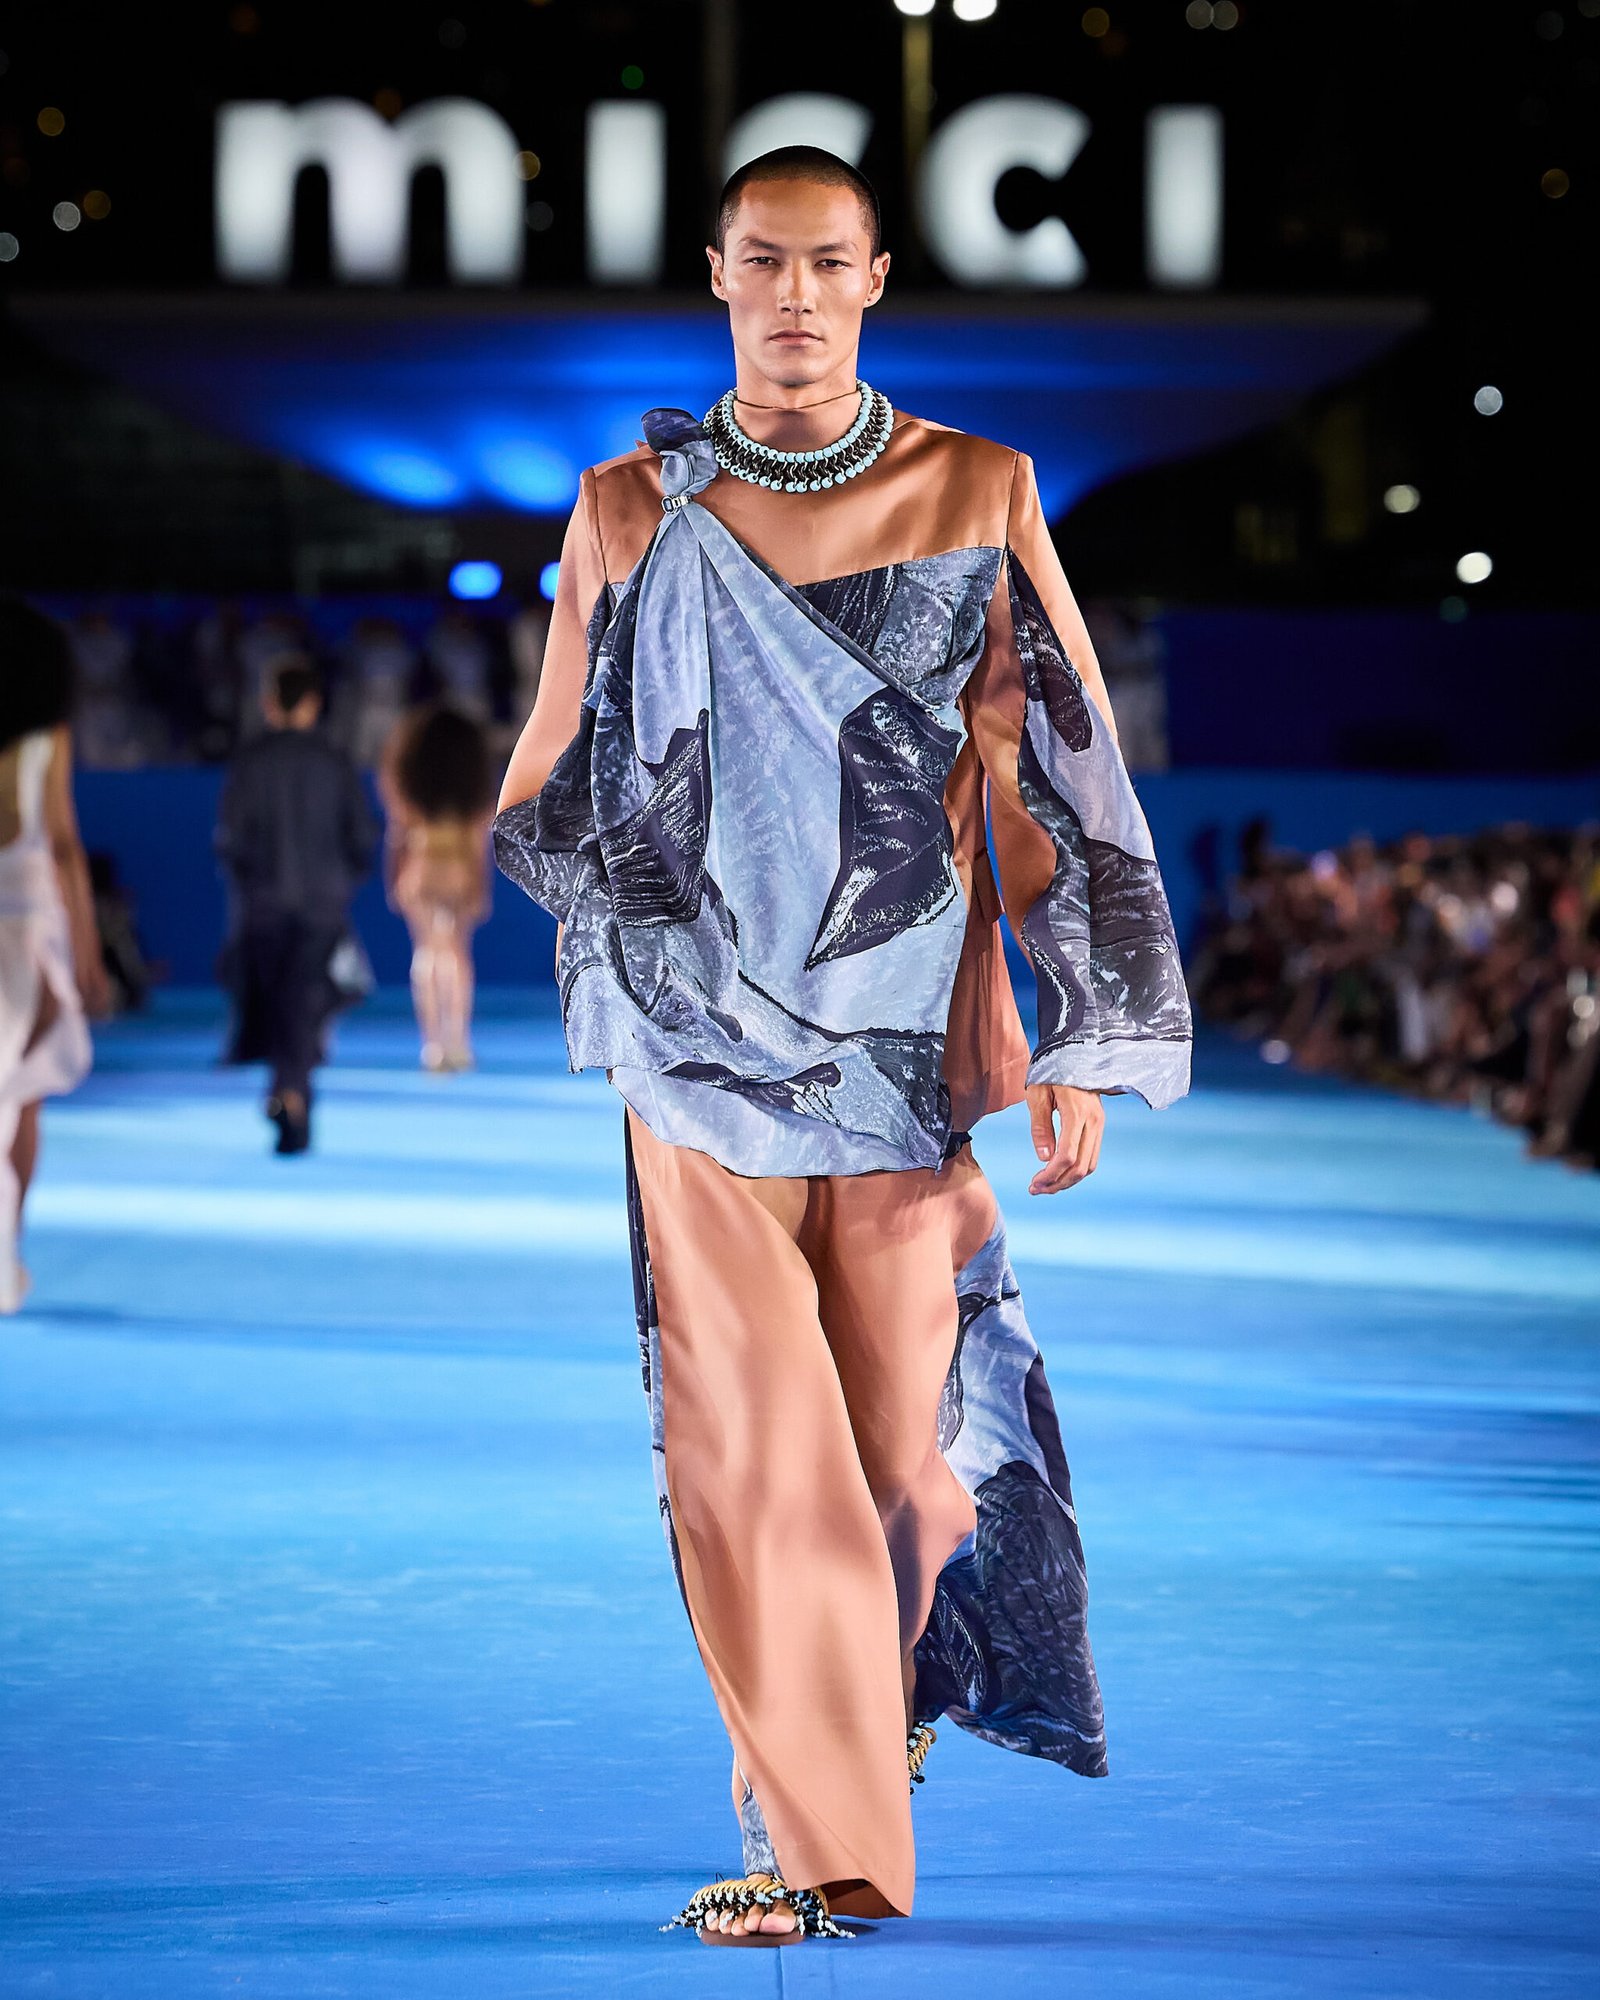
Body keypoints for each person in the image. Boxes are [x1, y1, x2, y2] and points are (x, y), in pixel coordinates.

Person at [493, 148, 1191, 1944]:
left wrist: (1084, 1033)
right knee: (751, 1447)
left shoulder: (977, 489)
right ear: (716, 273)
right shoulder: (627, 509)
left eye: (827, 264)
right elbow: (556, 776)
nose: (793, 297)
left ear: (876, 277)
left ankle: (876, 1712)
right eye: (763, 262)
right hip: (695, 1061)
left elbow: (1056, 765)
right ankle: (817, 1841)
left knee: (896, 1465)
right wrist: (645, 908)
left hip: (901, 1061)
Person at [216, 656, 378, 1155]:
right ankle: (293, 1093)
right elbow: (361, 834)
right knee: (304, 1002)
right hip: (322, 903)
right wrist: (343, 880)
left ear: (269, 703)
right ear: (313, 703)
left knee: (281, 1001)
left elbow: (230, 838)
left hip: (262, 903)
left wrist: (248, 883)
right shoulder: (334, 760)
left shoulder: (251, 760)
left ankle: (287, 1091)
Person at [0, 597, 109, 1313]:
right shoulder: (47, 738)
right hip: (27, 927)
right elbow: (64, 844)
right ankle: (6, 1252)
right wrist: (90, 954)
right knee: (23, 1094)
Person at [378, 701, 497, 1072]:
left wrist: (394, 878)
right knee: (457, 953)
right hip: (459, 870)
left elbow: (397, 834)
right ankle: (458, 1041)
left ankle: (432, 1044)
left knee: (426, 952)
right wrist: (481, 886)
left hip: (421, 870)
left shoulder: (409, 778)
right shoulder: (472, 787)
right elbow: (479, 842)